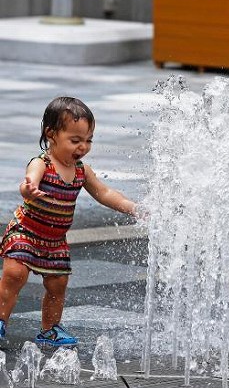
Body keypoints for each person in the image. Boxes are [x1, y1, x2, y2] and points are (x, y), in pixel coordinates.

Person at [0, 97, 138, 347]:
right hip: (27, 232)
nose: (83, 147)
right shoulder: (42, 163)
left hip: (55, 241)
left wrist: (132, 208)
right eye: (75, 140)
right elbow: (29, 179)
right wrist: (28, 189)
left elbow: (104, 193)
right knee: (14, 273)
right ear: (51, 134)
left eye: (88, 140)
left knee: (57, 285)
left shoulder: (82, 171)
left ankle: (49, 329)